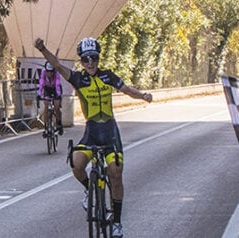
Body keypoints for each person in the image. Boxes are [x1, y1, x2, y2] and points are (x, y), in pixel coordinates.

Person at [35, 37, 152, 238]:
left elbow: (126, 89)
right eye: (86, 59)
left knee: (115, 173)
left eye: (94, 58)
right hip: (91, 133)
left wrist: (142, 95)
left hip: (110, 133)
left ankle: (116, 223)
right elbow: (57, 65)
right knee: (76, 163)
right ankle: (89, 189)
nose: (90, 63)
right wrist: (43, 49)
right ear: (81, 61)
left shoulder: (108, 76)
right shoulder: (79, 79)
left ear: (98, 59)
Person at [37, 61, 63, 136]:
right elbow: (41, 83)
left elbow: (57, 84)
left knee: (57, 107)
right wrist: (39, 94)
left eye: (51, 71)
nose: (50, 73)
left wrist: (58, 95)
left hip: (55, 88)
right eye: (48, 71)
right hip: (47, 88)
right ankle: (46, 127)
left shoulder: (56, 74)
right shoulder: (43, 72)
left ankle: (59, 124)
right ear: (46, 70)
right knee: (46, 107)